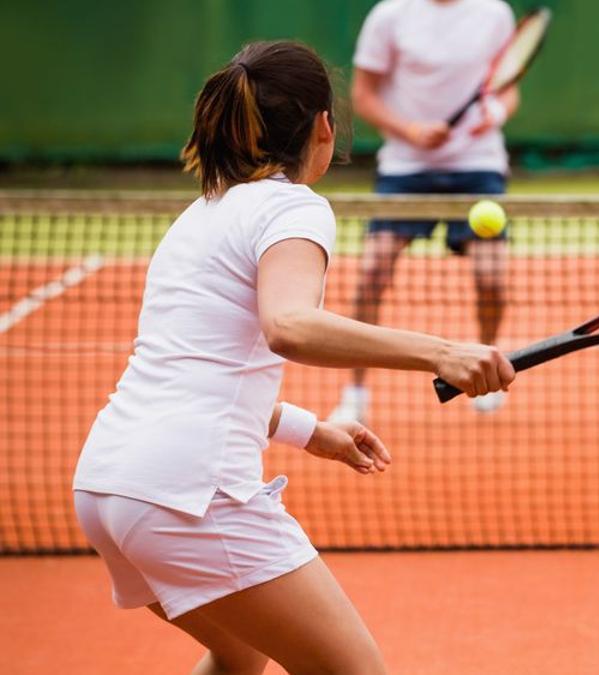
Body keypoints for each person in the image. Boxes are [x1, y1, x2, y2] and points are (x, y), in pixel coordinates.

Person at [72, 41, 514, 674]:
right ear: (324, 126)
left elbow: (197, 368)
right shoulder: (292, 206)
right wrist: (441, 351)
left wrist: (309, 431)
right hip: (188, 493)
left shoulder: (202, 212)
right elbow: (289, 326)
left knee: (240, 658)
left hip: (109, 486)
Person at [329, 0, 520, 421]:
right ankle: (355, 393)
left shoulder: (495, 14)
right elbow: (363, 95)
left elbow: (507, 86)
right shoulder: (390, 16)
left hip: (478, 166)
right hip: (406, 168)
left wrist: (497, 111)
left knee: (492, 279)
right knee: (372, 273)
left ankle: (487, 369)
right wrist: (411, 131)